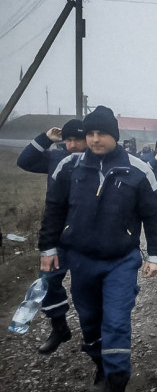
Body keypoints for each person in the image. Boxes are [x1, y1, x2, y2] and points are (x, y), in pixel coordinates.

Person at [38, 106, 157, 392]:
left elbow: (154, 215)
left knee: (116, 322)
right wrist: (49, 247)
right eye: (90, 133)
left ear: (115, 136)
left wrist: (155, 256)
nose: (94, 139)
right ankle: (100, 367)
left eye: (101, 133)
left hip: (121, 261)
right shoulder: (69, 166)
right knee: (91, 321)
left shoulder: (137, 170)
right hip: (81, 260)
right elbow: (54, 208)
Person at [17, 118, 87, 354]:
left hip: (87, 234)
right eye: (68, 140)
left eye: (78, 139)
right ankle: (59, 327)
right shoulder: (56, 157)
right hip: (56, 234)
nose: (73, 145)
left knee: (88, 290)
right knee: (46, 282)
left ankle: (94, 338)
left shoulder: (97, 160)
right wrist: (46, 139)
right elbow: (24, 161)